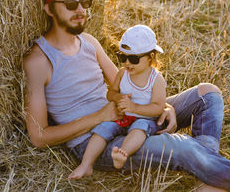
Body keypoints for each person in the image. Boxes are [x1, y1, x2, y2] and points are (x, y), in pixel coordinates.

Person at [23, 0, 230, 192]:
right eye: (70, 4)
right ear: (49, 8)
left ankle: (209, 175)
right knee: (177, 147)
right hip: (97, 141)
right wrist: (100, 117)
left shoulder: (89, 42)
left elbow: (122, 83)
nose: (80, 10)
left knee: (207, 94)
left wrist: (165, 107)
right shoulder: (39, 62)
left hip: (128, 116)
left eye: (85, 2)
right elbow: (38, 136)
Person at [69, 25, 167, 179]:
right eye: (123, 57)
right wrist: (117, 98)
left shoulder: (156, 80)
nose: (127, 63)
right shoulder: (123, 73)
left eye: (133, 59)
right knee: (103, 128)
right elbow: (111, 93)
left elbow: (158, 107)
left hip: (144, 118)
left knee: (139, 129)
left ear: (151, 57)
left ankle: (123, 154)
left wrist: (135, 107)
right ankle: (86, 164)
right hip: (122, 116)